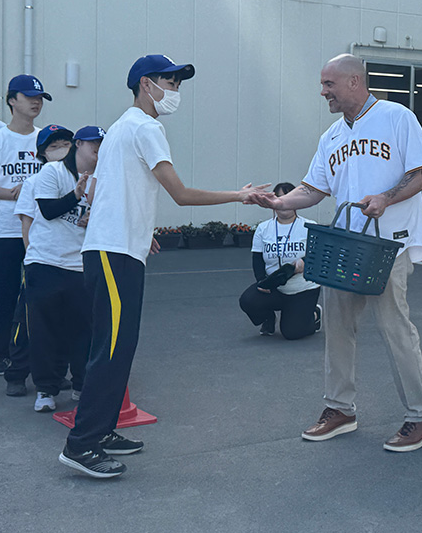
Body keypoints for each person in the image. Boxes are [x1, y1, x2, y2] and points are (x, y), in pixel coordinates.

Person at [58, 54, 268, 479]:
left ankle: (101, 430)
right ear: (145, 84)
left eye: (177, 83)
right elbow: (180, 194)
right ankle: (81, 445)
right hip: (115, 254)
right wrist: (238, 195)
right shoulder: (146, 127)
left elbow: (100, 194)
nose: (175, 91)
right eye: (169, 81)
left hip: (110, 250)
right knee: (113, 348)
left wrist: (138, 230)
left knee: (116, 345)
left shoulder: (119, 128)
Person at [251, 53, 422, 453]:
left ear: (354, 82)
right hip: (346, 246)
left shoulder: (396, 117)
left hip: (389, 244)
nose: (323, 92)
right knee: (337, 326)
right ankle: (340, 410)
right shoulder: (331, 136)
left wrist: (386, 198)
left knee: (395, 328)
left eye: (328, 85)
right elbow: (313, 189)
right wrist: (277, 203)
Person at [0, 74, 51, 375]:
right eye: (29, 97)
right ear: (11, 100)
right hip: (4, 230)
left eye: (39, 98)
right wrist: (12, 194)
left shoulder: (46, 138)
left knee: (40, 293)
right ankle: (0, 354)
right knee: (4, 293)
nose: (36, 102)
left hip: (41, 231)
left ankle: (38, 353)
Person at [24, 126, 102, 412]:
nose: (98, 149)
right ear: (77, 145)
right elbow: (47, 210)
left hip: (81, 264)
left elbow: (106, 216)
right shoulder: (52, 172)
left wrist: (94, 216)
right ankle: (45, 389)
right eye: (93, 144)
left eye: (101, 145)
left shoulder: (101, 178)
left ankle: (81, 384)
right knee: (45, 330)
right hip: (45, 262)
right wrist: (75, 195)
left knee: (84, 329)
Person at [5, 124, 74, 398]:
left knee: (65, 322)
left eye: (66, 144)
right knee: (27, 321)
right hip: (41, 262)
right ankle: (17, 373)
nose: (61, 150)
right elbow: (27, 222)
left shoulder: (79, 180)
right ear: (42, 154)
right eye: (54, 146)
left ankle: (57, 373)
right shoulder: (35, 182)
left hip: (71, 263)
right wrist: (31, 260)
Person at [239, 181, 321, 339]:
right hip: (275, 286)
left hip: (302, 289)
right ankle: (268, 317)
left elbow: (319, 256)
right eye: (280, 198)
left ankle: (314, 314)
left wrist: (305, 262)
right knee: (248, 300)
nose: (284, 203)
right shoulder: (263, 229)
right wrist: (263, 282)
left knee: (292, 333)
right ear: (273, 202)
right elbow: (257, 259)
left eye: (289, 198)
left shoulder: (310, 226)